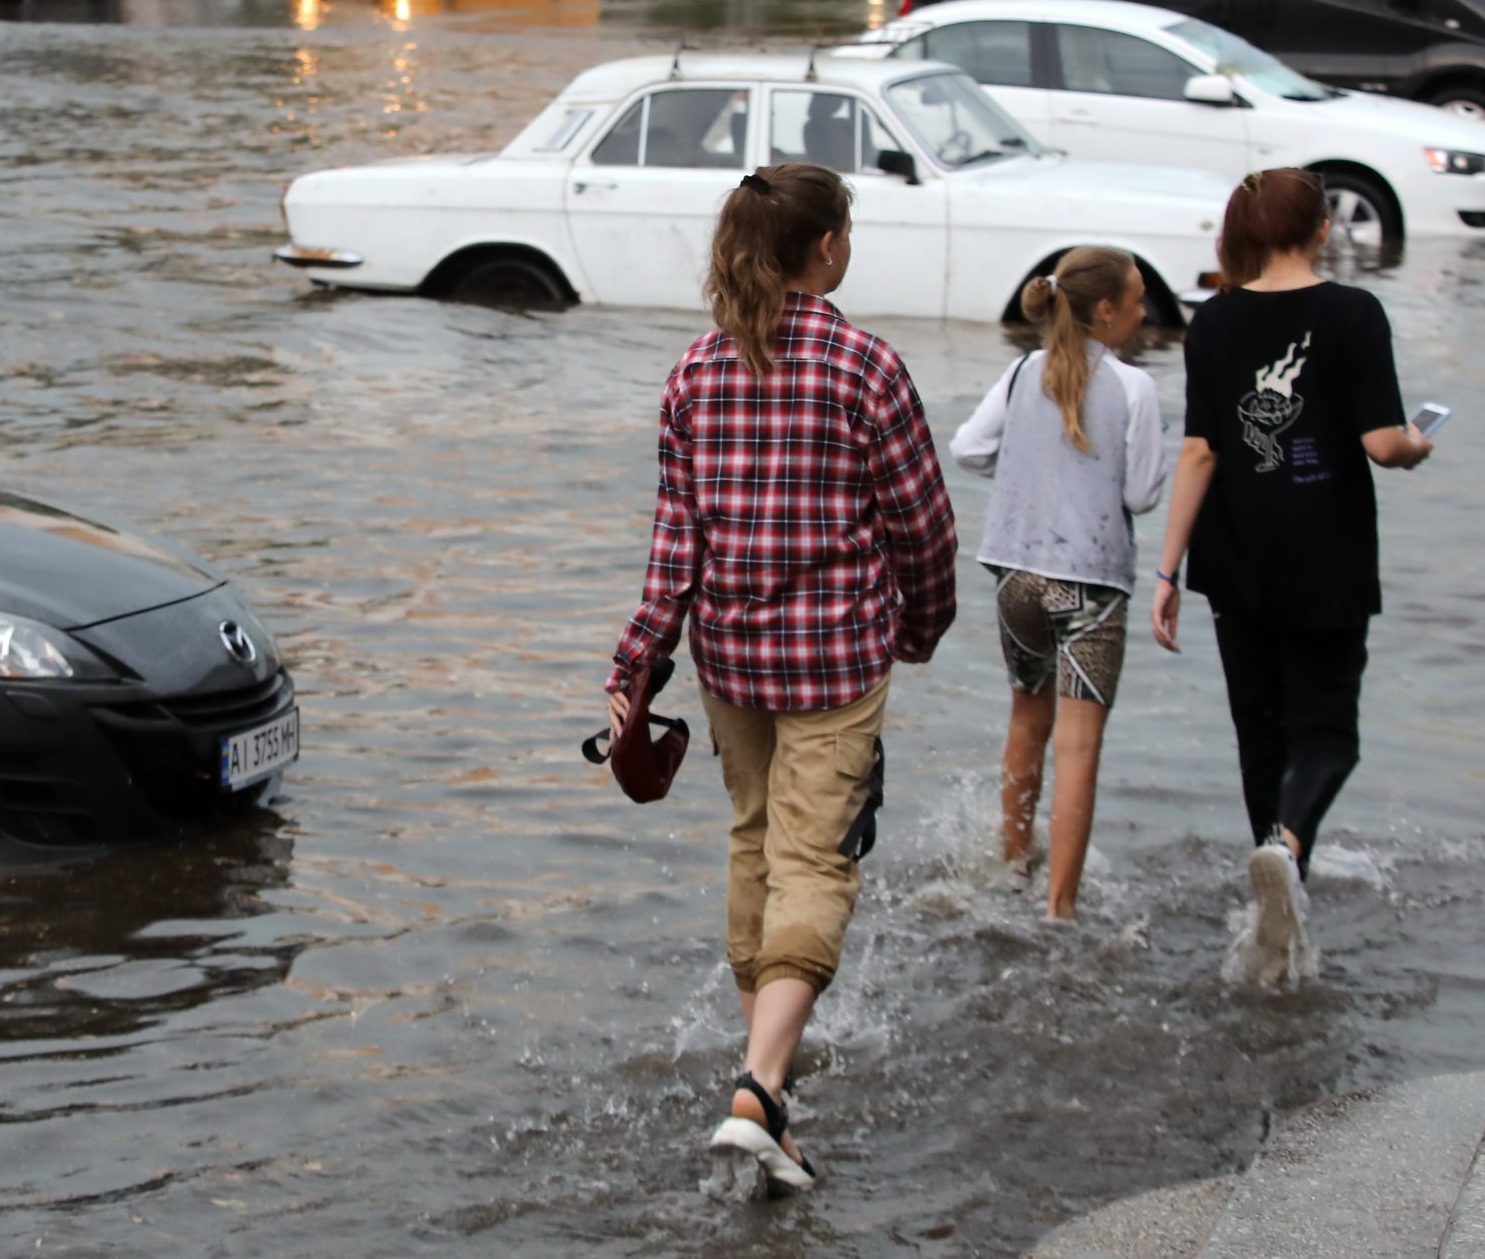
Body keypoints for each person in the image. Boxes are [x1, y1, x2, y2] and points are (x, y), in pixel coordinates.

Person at [607, 163, 958, 1194]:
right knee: (816, 858)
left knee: (756, 842)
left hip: (729, 660)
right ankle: (758, 1087)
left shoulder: (694, 372)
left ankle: (767, 1098)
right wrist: (924, 625)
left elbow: (675, 545)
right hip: (836, 659)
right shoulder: (866, 366)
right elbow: (921, 525)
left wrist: (634, 666)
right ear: (828, 247)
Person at [1151, 168, 1434, 986]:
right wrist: (1418, 442)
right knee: (1328, 732)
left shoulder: (1215, 321)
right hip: (1327, 551)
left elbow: (1200, 449)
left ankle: (1273, 905)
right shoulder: (1353, 312)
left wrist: (1166, 569)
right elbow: (1383, 444)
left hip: (1236, 554)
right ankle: (1287, 850)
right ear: (1318, 230)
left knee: (1260, 732)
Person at [951, 249, 1165, 922]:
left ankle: (1013, 863)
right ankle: (1059, 908)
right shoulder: (1135, 389)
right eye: (1136, 300)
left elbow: (967, 449)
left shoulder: (1020, 372)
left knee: (1026, 719)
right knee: (1079, 742)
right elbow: (1141, 493)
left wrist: (1027, 475)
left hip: (1016, 577)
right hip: (1092, 590)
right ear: (1106, 312)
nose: (1145, 310)